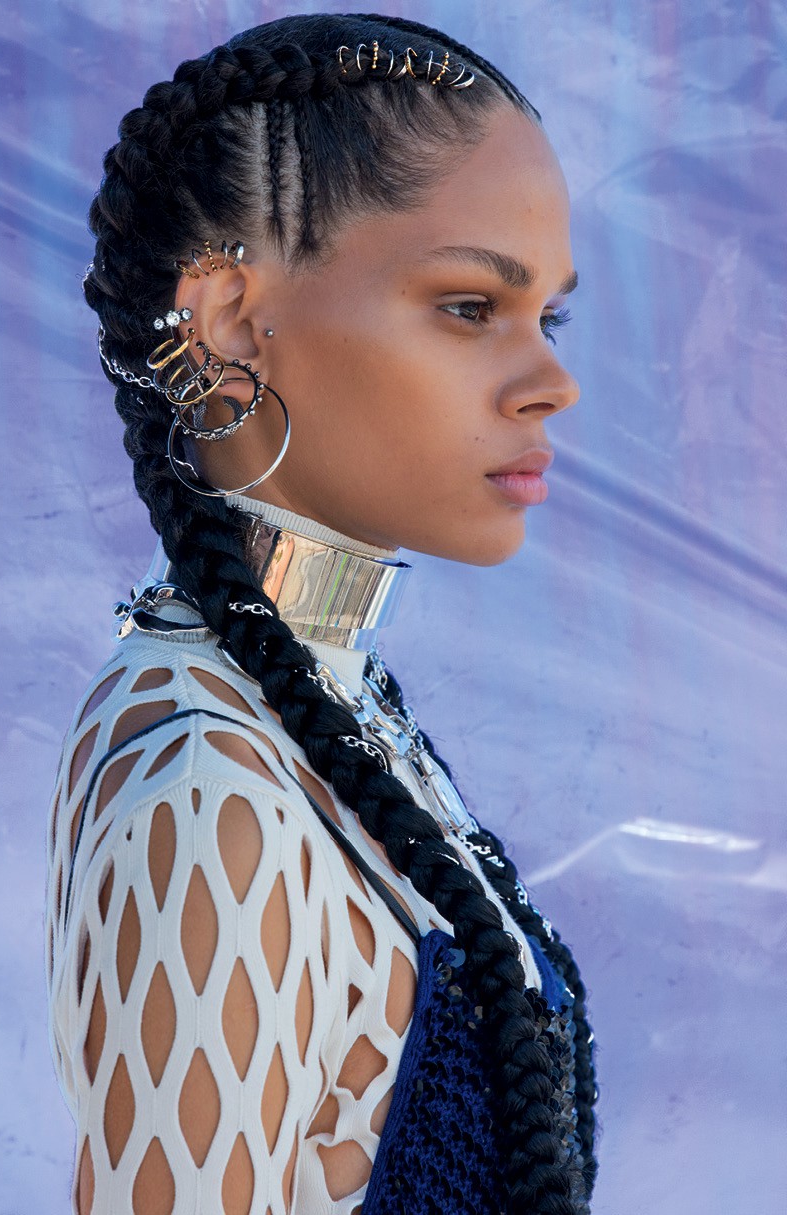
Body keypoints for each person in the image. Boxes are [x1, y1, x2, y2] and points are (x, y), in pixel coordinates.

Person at [44, 11, 600, 1214]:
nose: (552, 382)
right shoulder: (211, 785)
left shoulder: (330, 706)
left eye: (549, 317)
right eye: (470, 306)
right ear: (232, 321)